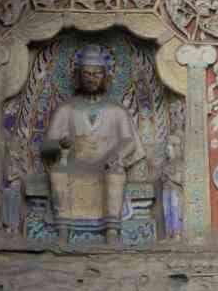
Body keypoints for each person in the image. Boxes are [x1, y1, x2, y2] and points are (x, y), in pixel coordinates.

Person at [41, 45, 145, 243]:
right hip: (74, 166)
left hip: (106, 165)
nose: (91, 78)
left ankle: (111, 230)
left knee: (115, 173)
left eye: (97, 73)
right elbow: (46, 147)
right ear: (78, 76)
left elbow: (129, 141)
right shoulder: (66, 109)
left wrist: (117, 155)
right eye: (87, 74)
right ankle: (63, 230)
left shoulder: (116, 110)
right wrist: (61, 144)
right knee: (58, 172)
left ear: (105, 77)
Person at [161, 134, 185, 239]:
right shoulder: (166, 163)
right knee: (166, 211)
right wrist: (163, 176)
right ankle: (168, 232)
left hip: (175, 190)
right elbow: (162, 179)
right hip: (166, 190)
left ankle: (177, 233)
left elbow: (180, 179)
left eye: (169, 149)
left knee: (175, 211)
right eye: (166, 150)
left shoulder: (179, 162)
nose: (167, 152)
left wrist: (168, 175)